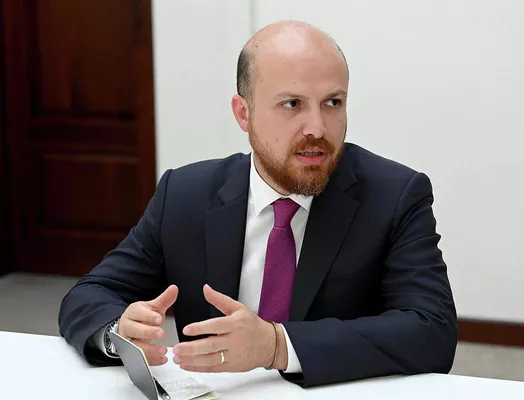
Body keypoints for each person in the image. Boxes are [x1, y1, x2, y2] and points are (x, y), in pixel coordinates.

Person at [58, 20, 457, 388]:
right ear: (243, 114)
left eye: (333, 103)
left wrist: (276, 345)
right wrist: (118, 334)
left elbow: (432, 330)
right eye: (292, 104)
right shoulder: (184, 195)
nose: (317, 127)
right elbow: (91, 294)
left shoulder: (395, 195)